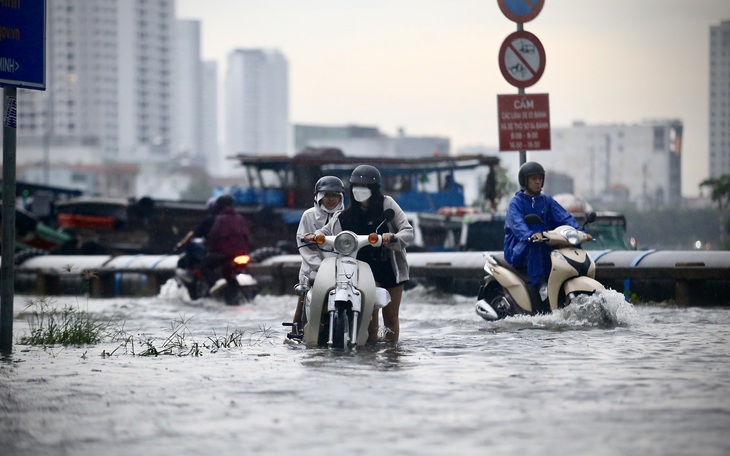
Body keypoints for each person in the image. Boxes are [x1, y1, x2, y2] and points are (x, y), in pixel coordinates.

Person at [305, 165, 414, 343]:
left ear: (374, 189)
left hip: (389, 267)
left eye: (364, 187)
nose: (359, 191)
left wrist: (392, 237)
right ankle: (369, 356)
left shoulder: (388, 204)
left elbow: (407, 231)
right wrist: (315, 236)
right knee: (370, 319)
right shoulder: (345, 214)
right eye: (355, 186)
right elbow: (326, 230)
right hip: (362, 269)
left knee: (391, 317)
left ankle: (392, 356)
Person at [503, 161, 587, 310]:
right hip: (519, 246)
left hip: (543, 239)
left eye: (540, 178)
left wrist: (578, 232)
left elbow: (564, 217)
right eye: (533, 178)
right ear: (524, 181)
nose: (537, 181)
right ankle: (540, 284)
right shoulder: (516, 203)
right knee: (537, 246)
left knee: (565, 246)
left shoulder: (546, 201)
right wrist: (530, 235)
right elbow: (517, 224)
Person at [291, 176, 346, 331]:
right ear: (318, 197)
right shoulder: (308, 216)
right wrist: (320, 266)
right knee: (301, 308)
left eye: (335, 195)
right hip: (312, 270)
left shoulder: (345, 216)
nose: (331, 199)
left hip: (339, 270)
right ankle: (296, 332)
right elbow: (303, 245)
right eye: (327, 195)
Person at [204, 194, 251, 293]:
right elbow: (247, 236)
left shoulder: (220, 219)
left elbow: (214, 236)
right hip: (242, 253)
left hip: (226, 254)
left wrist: (210, 248)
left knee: (205, 265)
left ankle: (216, 282)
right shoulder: (240, 218)